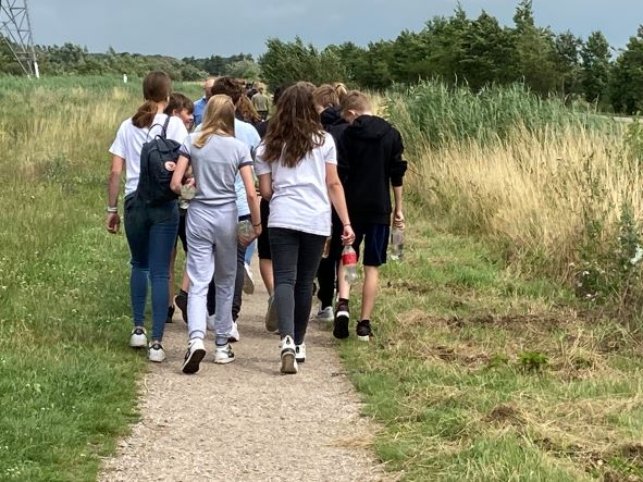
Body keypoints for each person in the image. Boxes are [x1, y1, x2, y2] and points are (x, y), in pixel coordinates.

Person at [256, 82, 355, 375]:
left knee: (284, 278)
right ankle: (298, 342)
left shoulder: (267, 145)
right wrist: (346, 222)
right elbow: (333, 184)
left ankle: (285, 338)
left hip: (282, 217)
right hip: (315, 218)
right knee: (304, 282)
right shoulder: (323, 141)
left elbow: (266, 192)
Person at [171, 95, 261, 373]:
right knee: (224, 279)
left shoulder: (192, 142)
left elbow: (176, 183)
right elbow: (249, 190)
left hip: (198, 214)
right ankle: (221, 344)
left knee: (198, 279)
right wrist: (256, 225)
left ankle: (196, 338)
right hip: (227, 215)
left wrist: (192, 192)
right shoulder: (238, 147)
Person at [106, 71, 189, 362]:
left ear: (144, 93)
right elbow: (185, 164)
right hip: (164, 203)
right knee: (160, 270)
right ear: (168, 95)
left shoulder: (127, 126)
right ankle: (157, 342)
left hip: (134, 201)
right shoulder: (176, 125)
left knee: (138, 265)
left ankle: (138, 328)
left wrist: (112, 209)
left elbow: (116, 171)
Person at [333, 91, 407, 342]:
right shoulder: (391, 134)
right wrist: (398, 208)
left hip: (351, 206)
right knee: (372, 266)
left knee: (348, 255)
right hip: (379, 206)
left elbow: (339, 174)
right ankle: (364, 323)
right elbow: (397, 174)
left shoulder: (345, 135)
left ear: (352, 113)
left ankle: (343, 302)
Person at [206, 77, 261, 341]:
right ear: (239, 102)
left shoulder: (199, 131)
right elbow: (256, 179)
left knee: (211, 260)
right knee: (236, 263)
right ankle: (232, 318)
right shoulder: (249, 132)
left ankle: (213, 312)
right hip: (242, 208)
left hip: (208, 207)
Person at [311, 85, 349, 325]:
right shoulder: (351, 129)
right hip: (348, 197)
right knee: (344, 251)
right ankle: (342, 297)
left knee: (325, 252)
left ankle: (325, 302)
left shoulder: (321, 132)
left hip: (324, 197)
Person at [164, 93, 195, 323]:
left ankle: (166, 304)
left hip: (164, 202)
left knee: (168, 256)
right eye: (187, 113)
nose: (191, 117)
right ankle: (184, 292)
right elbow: (187, 173)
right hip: (183, 204)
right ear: (175, 113)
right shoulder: (184, 136)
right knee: (194, 252)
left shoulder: (155, 132)